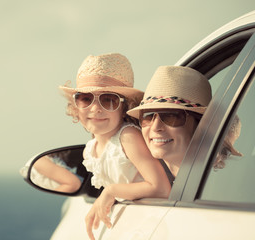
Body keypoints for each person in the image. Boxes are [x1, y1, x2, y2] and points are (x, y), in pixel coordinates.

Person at [59, 53, 171, 240]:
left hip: (153, 225)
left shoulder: (127, 137)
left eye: (108, 100)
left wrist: (111, 191)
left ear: (125, 106)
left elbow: (160, 188)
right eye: (86, 98)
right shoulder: (92, 148)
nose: (95, 108)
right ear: (75, 105)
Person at [127, 65, 212, 179]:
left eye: (171, 116)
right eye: (148, 116)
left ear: (200, 124)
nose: (156, 127)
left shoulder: (214, 184)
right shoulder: (138, 177)